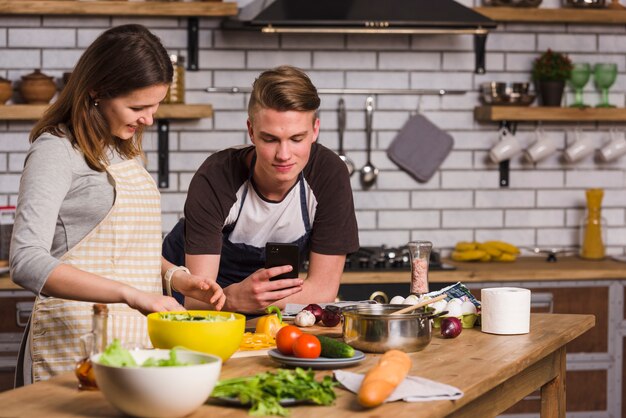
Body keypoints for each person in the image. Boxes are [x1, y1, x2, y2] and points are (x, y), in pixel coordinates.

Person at [9, 24, 224, 386]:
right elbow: (26, 261)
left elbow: (122, 247)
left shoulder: (123, 149)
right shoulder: (56, 150)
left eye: (155, 105)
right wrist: (131, 295)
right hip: (74, 346)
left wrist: (176, 277)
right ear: (96, 90)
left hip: (129, 344)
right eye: (137, 106)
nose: (148, 119)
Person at [162, 65, 359, 314]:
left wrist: (251, 300)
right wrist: (233, 299)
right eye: (270, 139)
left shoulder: (328, 175)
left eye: (297, 139)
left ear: (315, 131)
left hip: (258, 310)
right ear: (251, 131)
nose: (284, 155)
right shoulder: (216, 177)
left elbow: (322, 291)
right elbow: (197, 298)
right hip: (181, 304)